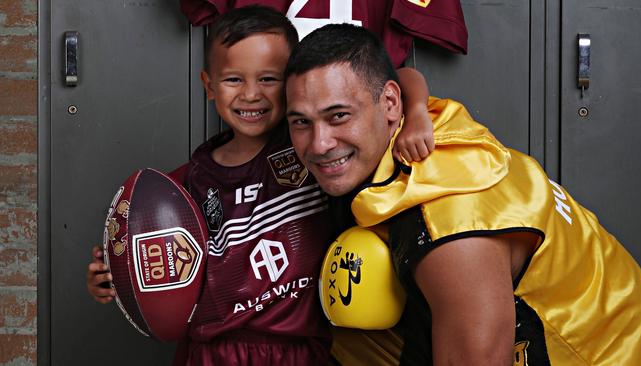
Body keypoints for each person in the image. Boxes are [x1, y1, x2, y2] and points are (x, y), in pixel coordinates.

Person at [86, 6, 434, 365]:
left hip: (300, 350)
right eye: (234, 79)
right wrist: (114, 274)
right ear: (209, 86)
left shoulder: (311, 150)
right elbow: (138, 239)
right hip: (211, 351)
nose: (251, 94)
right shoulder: (188, 181)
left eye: (269, 79)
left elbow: (403, 75)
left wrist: (418, 112)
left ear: (294, 86)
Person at [284, 23, 641, 365]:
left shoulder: (449, 228)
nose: (319, 143)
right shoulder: (417, 121)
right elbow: (405, 77)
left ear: (389, 104)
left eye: (338, 117)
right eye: (301, 121)